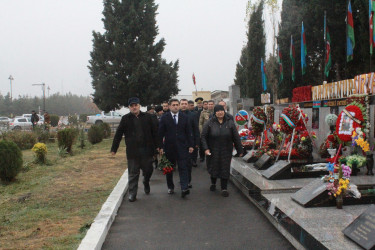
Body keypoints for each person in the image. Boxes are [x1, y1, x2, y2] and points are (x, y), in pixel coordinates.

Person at [111, 97, 159, 202]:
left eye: (136, 105)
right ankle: (132, 194)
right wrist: (114, 148)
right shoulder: (125, 119)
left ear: (139, 106)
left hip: (147, 151)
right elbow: (118, 134)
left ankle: (146, 182)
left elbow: (155, 133)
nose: (134, 107)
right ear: (129, 107)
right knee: (133, 173)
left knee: (148, 170)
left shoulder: (148, 117)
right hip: (133, 152)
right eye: (132, 106)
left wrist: (158, 147)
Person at [201, 105, 243, 197]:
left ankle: (224, 188)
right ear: (215, 113)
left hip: (226, 150)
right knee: (213, 167)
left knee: (225, 168)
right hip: (213, 150)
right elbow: (203, 137)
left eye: (221, 110)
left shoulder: (230, 123)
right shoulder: (209, 123)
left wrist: (240, 150)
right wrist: (206, 148)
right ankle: (213, 183)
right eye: (218, 111)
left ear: (224, 111)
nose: (220, 112)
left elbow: (236, 138)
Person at [159, 99, 194, 198]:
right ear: (169, 106)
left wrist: (191, 145)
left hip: (182, 147)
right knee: (169, 169)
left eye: (177, 105)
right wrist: (160, 147)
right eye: (173, 105)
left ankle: (184, 188)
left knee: (183, 167)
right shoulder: (164, 118)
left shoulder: (184, 117)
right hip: (169, 147)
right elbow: (160, 133)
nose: (175, 106)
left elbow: (188, 132)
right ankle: (170, 186)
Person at [180, 99, 200, 186]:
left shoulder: (193, 115)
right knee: (181, 163)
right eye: (182, 104)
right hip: (179, 143)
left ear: (188, 105)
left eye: (185, 104)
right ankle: (183, 180)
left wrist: (196, 142)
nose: (184, 105)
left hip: (189, 143)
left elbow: (196, 129)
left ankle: (188, 180)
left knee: (188, 163)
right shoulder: (177, 115)